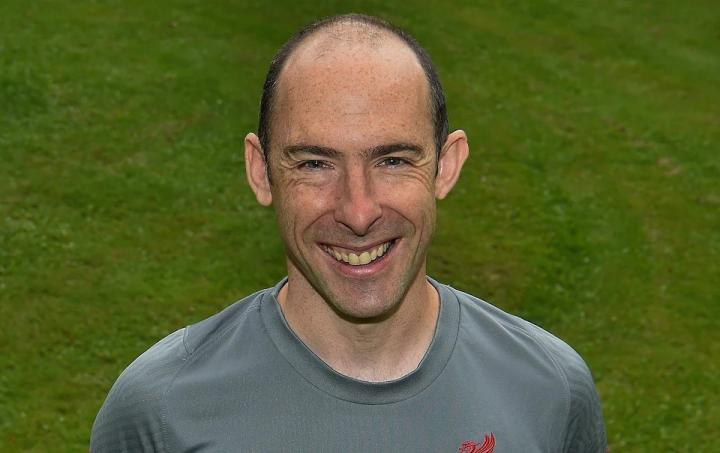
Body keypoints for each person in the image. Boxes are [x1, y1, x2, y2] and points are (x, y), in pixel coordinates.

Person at [91, 14, 607, 452]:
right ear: (261, 172)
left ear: (445, 166)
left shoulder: (550, 389)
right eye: (314, 163)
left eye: (393, 160)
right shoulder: (160, 412)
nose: (358, 213)